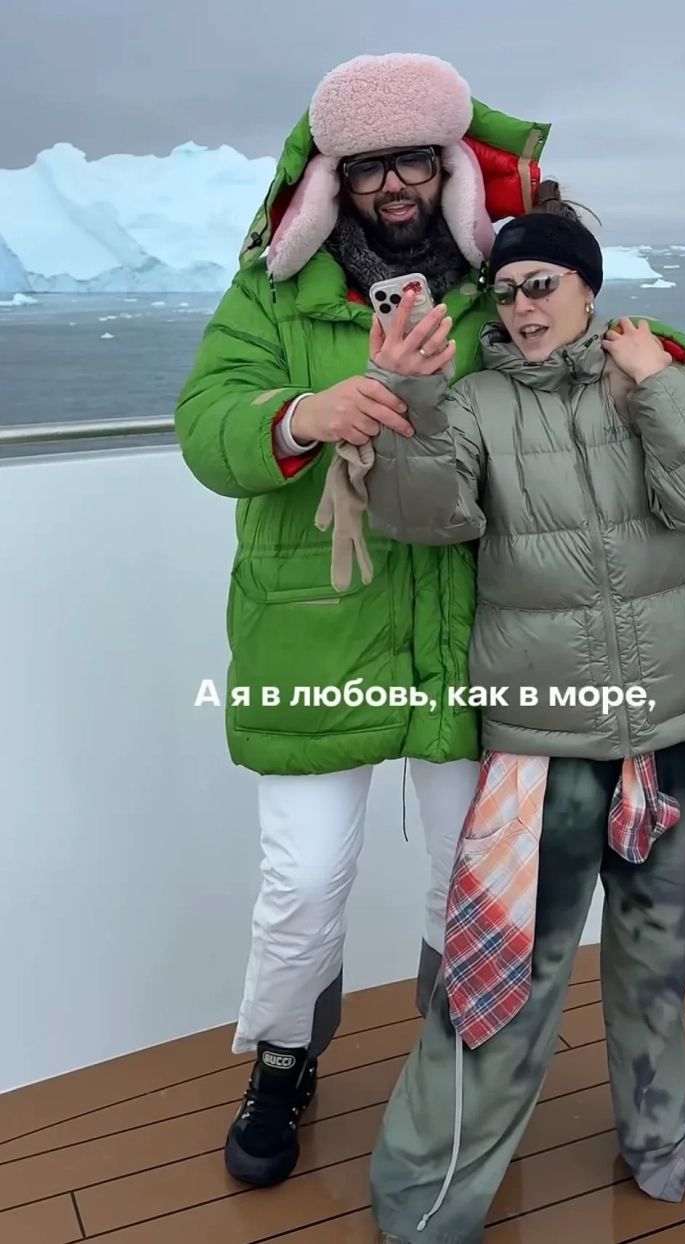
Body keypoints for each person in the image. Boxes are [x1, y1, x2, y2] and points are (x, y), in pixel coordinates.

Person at [361, 183, 685, 1242]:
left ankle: (664, 1137)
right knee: (503, 977)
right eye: (506, 290)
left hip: (676, 730)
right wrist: (411, 398)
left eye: (541, 284)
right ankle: (423, 1196)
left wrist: (659, 385)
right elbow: (423, 517)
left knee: (657, 965)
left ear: (588, 288)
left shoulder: (651, 379)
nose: (521, 307)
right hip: (546, 746)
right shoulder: (472, 403)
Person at [173, 52, 551, 1188]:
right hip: (316, 628)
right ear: (331, 178)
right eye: (369, 165)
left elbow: (567, 367)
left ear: (450, 168)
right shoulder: (271, 294)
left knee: (464, 873)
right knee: (302, 881)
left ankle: (455, 1058)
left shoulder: (496, 285)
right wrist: (303, 412)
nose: (394, 185)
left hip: (463, 622)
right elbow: (205, 424)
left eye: (415, 162)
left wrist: (655, 365)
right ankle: (284, 1056)